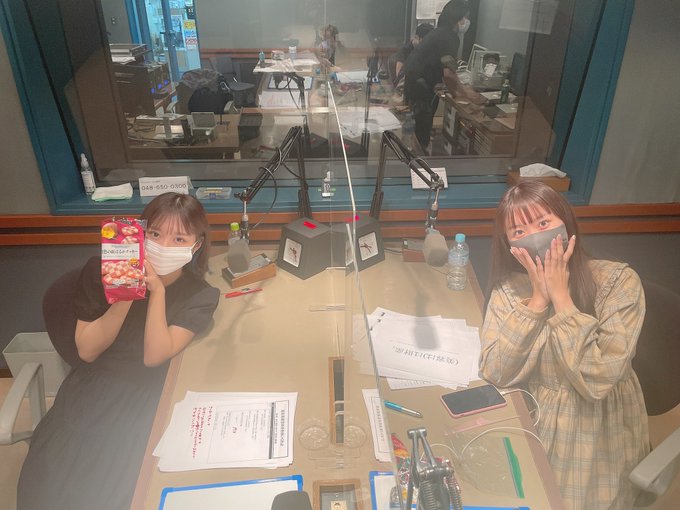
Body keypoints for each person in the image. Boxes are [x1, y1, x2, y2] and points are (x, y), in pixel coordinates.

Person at [17, 193, 220, 510]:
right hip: (92, 386)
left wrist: (157, 292)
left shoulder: (201, 295)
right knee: (51, 486)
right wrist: (125, 291)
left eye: (178, 238)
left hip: (144, 395)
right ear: (139, 233)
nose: (163, 245)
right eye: (154, 234)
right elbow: (87, 351)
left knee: (122, 490)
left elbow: (154, 357)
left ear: (195, 246)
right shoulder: (99, 271)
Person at [479, 181, 649, 509]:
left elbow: (596, 379)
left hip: (597, 425)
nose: (534, 237)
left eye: (544, 223)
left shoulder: (619, 282)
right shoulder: (508, 291)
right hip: (534, 416)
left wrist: (561, 298)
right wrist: (538, 300)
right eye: (519, 231)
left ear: (566, 224)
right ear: (509, 245)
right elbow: (496, 371)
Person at [403, 0, 483, 149]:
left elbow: (446, 70)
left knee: (419, 128)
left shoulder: (438, 32)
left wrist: (458, 91)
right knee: (422, 132)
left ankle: (417, 151)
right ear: (458, 18)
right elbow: (449, 74)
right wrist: (464, 94)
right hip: (421, 88)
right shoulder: (450, 37)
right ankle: (419, 157)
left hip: (414, 84)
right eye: (465, 17)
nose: (467, 21)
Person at [390, 23, 435, 91]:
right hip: (408, 88)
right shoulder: (404, 51)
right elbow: (400, 76)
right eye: (425, 41)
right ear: (416, 37)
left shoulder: (427, 50)